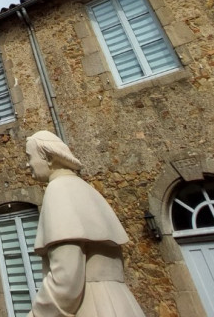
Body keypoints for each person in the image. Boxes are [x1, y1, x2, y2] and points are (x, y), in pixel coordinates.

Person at [25, 131, 146, 317]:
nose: (27, 164)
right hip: (121, 304)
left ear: (49, 158)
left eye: (29, 157)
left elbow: (66, 280)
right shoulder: (85, 188)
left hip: (92, 305)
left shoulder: (59, 189)